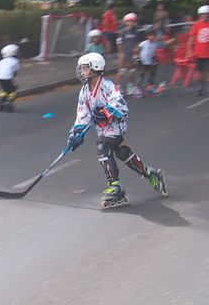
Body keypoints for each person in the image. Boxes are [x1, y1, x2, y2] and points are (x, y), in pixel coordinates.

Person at [67, 52, 169, 209]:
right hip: (103, 127)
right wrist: (76, 132)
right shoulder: (84, 91)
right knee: (122, 152)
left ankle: (116, 187)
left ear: (95, 68)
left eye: (85, 68)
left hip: (116, 123)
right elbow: (82, 115)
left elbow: (120, 105)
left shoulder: (107, 85)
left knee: (102, 148)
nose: (82, 72)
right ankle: (151, 174)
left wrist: (105, 112)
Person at [187, 4, 209, 96]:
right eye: (202, 14)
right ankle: (200, 88)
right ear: (200, 15)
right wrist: (189, 50)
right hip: (198, 53)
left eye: (206, 14)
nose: (204, 16)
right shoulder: (197, 25)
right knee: (199, 71)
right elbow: (192, 38)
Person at [116, 12, 140, 96]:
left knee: (131, 71)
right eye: (130, 21)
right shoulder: (122, 32)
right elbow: (119, 44)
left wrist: (136, 54)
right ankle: (118, 88)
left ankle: (130, 87)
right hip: (123, 54)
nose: (132, 23)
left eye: (133, 21)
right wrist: (121, 55)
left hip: (132, 55)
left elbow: (136, 43)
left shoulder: (135, 32)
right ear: (125, 22)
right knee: (122, 72)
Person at [0, 44, 20, 112]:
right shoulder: (15, 61)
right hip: (7, 77)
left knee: (4, 90)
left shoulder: (1, 61)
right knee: (13, 89)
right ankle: (9, 103)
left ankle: (0, 102)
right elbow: (15, 73)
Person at [137, 30, 159, 95]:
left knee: (152, 74)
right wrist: (137, 58)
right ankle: (137, 88)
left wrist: (155, 60)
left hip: (150, 62)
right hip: (143, 62)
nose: (151, 37)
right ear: (147, 37)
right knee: (142, 75)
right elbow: (137, 49)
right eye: (150, 36)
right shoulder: (144, 43)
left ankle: (150, 87)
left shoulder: (155, 44)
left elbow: (153, 53)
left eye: (153, 36)